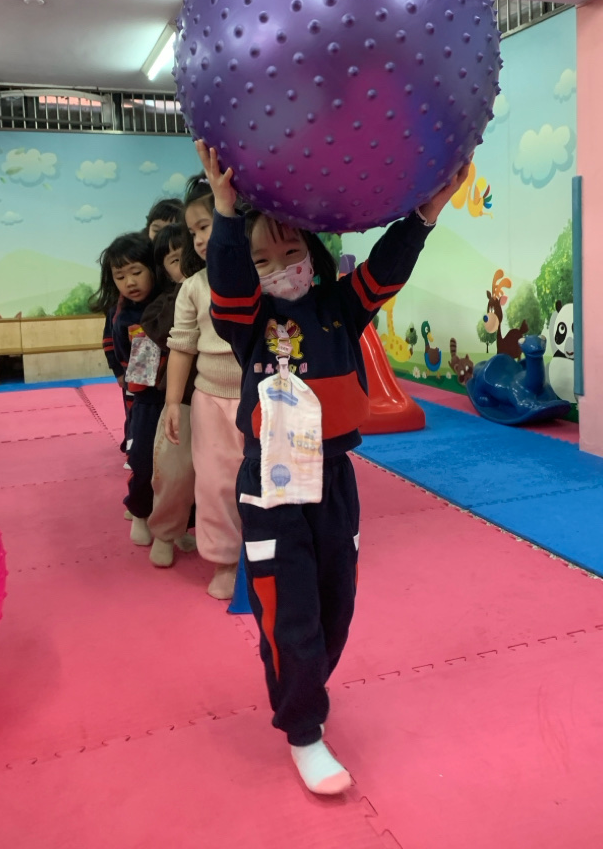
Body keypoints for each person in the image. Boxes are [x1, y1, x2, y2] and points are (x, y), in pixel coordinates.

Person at [200, 139, 468, 795]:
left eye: (291, 252)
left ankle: (306, 687)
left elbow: (386, 270)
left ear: (314, 256)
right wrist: (227, 214)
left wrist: (424, 216)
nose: (280, 267)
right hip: (274, 479)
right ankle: (303, 728)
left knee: (335, 604)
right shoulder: (249, 320)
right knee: (287, 607)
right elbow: (229, 281)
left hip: (336, 475)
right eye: (264, 260)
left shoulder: (339, 308)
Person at [163, 174, 244, 600]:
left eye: (205, 226)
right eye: (192, 231)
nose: (197, 239)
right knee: (215, 482)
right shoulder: (193, 288)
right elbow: (182, 347)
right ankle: (225, 559)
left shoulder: (261, 273)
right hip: (210, 399)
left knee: (270, 475)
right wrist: (172, 403)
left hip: (262, 394)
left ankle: (269, 552)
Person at [93, 232, 163, 544]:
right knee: (142, 459)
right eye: (120, 276)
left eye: (136, 272)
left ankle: (175, 521)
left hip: (177, 393)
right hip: (143, 395)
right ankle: (139, 512)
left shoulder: (168, 301)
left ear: (153, 268)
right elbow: (113, 345)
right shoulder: (119, 311)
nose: (130, 282)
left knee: (179, 463)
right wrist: (121, 375)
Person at [140, 223, 197, 567]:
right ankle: (164, 533)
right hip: (184, 400)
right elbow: (161, 331)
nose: (185, 263)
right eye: (175, 260)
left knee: (218, 476)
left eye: (188, 254)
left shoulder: (217, 287)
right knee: (174, 473)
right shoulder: (163, 304)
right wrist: (184, 290)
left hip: (223, 395)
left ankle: (188, 529)